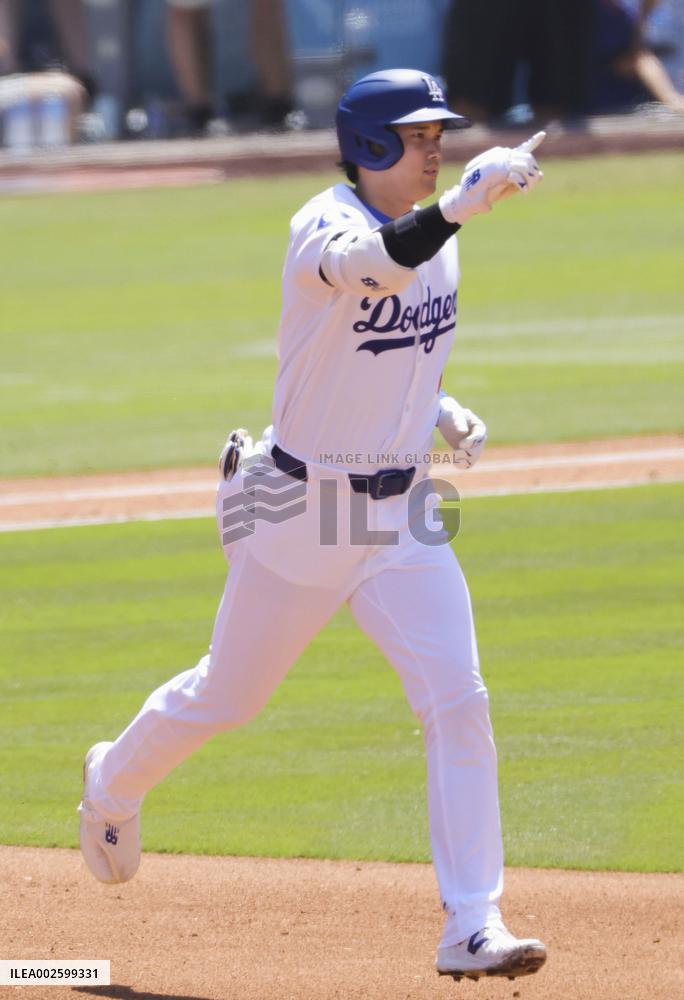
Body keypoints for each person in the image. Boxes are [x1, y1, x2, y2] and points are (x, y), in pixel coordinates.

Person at [78, 68, 548, 983]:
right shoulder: (322, 226)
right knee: (230, 695)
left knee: (459, 699)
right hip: (301, 506)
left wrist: (441, 410)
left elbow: (383, 349)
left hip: (405, 509)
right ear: (370, 144)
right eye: (417, 137)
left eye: (439, 134)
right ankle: (114, 781)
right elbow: (376, 268)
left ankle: (472, 922)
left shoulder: (439, 235)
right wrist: (460, 202)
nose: (436, 147)